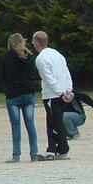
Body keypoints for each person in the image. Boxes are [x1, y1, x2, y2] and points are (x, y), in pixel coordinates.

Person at [32, 31, 73, 160]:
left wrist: (61, 93)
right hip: (62, 93)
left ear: (37, 43)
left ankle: (61, 149)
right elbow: (67, 74)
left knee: (54, 122)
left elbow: (48, 79)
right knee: (53, 121)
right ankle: (52, 149)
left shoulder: (41, 59)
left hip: (52, 95)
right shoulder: (58, 55)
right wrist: (68, 91)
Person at [0, 33, 39, 163]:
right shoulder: (29, 57)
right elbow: (33, 74)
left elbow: (2, 75)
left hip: (13, 95)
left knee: (16, 126)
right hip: (28, 94)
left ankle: (16, 155)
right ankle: (34, 154)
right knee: (30, 125)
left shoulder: (6, 58)